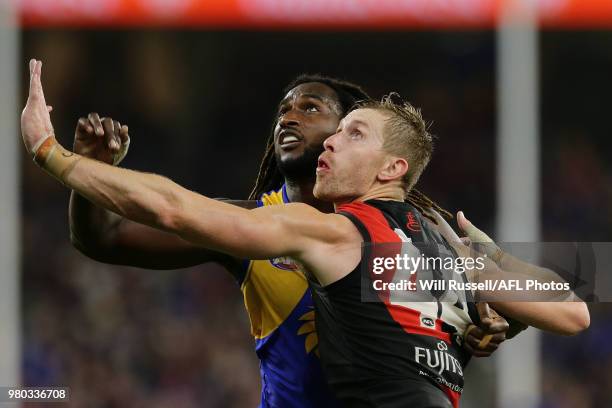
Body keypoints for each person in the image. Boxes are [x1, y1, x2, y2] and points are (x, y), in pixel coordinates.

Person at [27, 60, 587, 407]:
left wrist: (492, 312)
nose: (288, 119)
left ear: (380, 159)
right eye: (282, 110)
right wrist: (83, 171)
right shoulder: (258, 222)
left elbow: (565, 300)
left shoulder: (414, 235)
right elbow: (108, 238)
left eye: (317, 111)